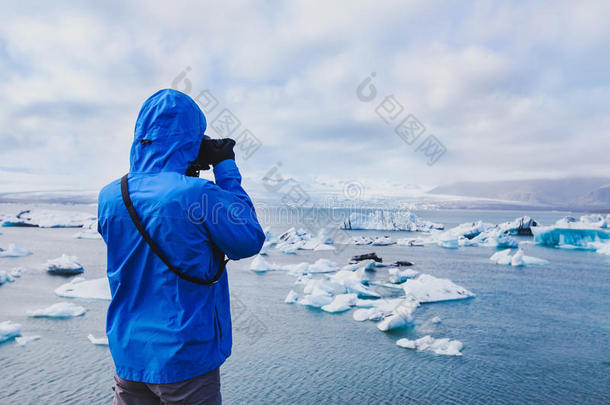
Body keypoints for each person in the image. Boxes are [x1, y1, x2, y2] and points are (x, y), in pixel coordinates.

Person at [98, 89, 265, 404]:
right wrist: (225, 167)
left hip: (128, 354)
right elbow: (248, 239)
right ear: (190, 139)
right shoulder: (198, 194)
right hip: (184, 357)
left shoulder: (110, 195)